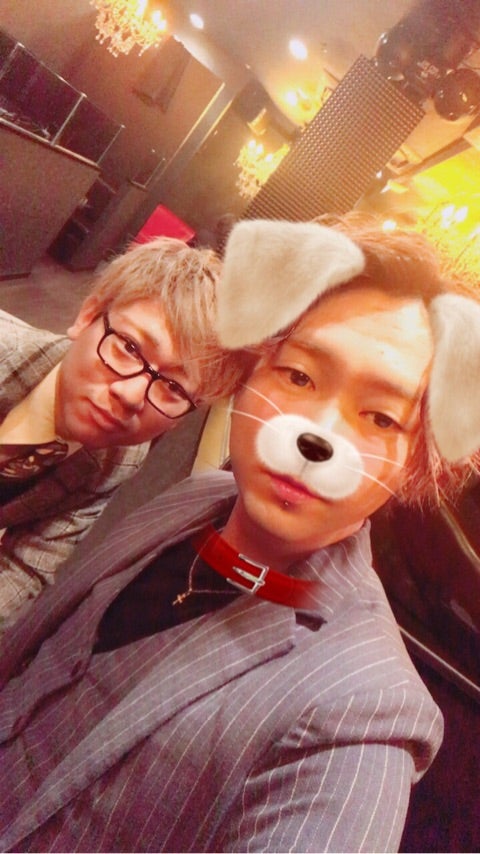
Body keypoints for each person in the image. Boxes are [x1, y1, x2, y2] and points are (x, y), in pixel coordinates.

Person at [1, 215, 480, 852]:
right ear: (251, 374)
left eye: (381, 417)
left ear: (417, 463)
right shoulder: (195, 498)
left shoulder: (359, 719)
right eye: (300, 376)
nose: (320, 432)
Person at [0, 236, 244, 631]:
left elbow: (27, 566)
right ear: (88, 316)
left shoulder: (119, 461)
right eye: (129, 347)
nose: (131, 396)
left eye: (174, 387)